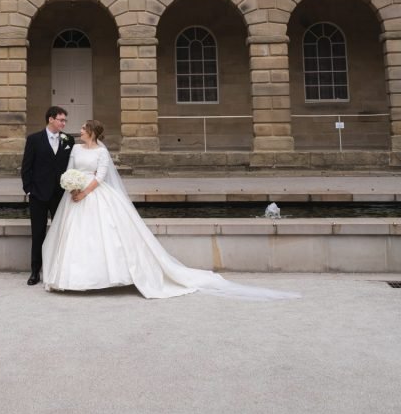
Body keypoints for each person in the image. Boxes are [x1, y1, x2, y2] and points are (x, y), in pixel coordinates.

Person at [42, 120, 298, 301]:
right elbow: (71, 169)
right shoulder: (75, 148)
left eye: (84, 129)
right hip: (74, 195)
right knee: (75, 237)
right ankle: (70, 279)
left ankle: (106, 278)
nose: (81, 131)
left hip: (95, 194)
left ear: (93, 132)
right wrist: (72, 186)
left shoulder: (101, 151)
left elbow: (101, 175)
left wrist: (85, 191)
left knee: (107, 236)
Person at [21, 105, 75, 286]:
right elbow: (26, 166)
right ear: (51, 119)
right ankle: (35, 271)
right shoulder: (34, 139)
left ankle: (59, 269)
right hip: (38, 195)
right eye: (61, 120)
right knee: (38, 234)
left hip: (60, 194)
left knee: (61, 233)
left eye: (65, 120)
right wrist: (28, 189)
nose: (64, 123)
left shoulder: (69, 140)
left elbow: (71, 165)